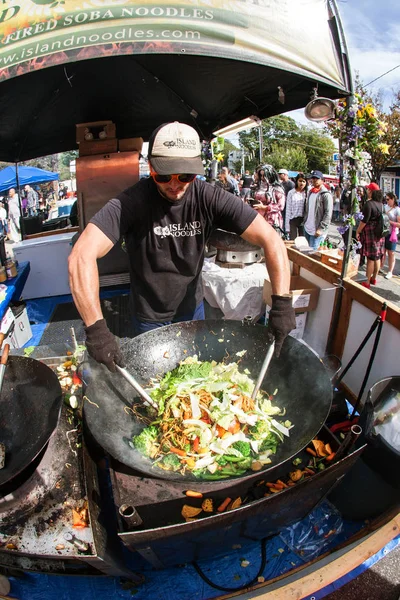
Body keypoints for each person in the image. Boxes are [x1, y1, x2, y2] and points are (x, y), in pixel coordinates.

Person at [68, 122, 295, 371]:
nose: (174, 184)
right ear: (151, 168)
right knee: (156, 379)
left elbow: (271, 239)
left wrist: (282, 304)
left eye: (185, 176)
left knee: (192, 375)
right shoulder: (132, 202)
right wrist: (96, 329)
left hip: (192, 309)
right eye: (164, 175)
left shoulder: (209, 196)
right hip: (149, 316)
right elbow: (81, 255)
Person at [356, 184, 385, 289]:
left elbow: (364, 221)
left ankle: (367, 282)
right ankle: (374, 278)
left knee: (370, 259)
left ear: (371, 191)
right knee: (377, 256)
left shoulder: (369, 204)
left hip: (370, 232)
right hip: (379, 233)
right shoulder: (381, 205)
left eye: (368, 189)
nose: (367, 190)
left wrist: (358, 231)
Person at [302, 170, 333, 249]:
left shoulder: (326, 194)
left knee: (313, 254)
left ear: (322, 180)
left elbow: (328, 213)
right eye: (313, 178)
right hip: (307, 227)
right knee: (306, 252)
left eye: (317, 178)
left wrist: (321, 228)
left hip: (317, 230)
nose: (314, 180)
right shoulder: (311, 192)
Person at [252, 164, 285, 231]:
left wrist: (264, 207)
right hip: (258, 218)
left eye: (264, 175)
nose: (262, 178)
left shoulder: (277, 189)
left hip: (272, 219)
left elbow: (281, 206)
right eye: (261, 175)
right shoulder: (257, 187)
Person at [382, 192, 400, 279]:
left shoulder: (397, 210)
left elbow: (399, 224)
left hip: (392, 233)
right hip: (384, 232)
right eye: (386, 199)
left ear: (393, 199)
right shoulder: (385, 207)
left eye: (388, 199)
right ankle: (380, 267)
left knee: (391, 252)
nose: (387, 201)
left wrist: (389, 222)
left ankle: (390, 271)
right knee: (383, 251)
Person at [284, 173, 307, 239]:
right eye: (300, 181)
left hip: (303, 220)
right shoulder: (291, 193)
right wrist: (287, 227)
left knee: (303, 241)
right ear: (296, 181)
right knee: (292, 240)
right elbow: (288, 209)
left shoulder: (307, 193)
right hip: (293, 219)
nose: (301, 183)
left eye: (303, 181)